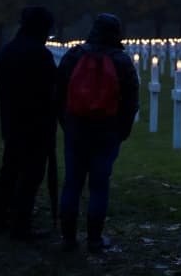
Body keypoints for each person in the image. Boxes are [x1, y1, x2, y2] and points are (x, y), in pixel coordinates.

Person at [56, 13, 139, 253]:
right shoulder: (121, 60)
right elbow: (131, 100)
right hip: (106, 130)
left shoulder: (73, 55)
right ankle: (94, 239)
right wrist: (121, 131)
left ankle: (68, 238)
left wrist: (66, 122)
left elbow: (59, 92)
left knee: (72, 183)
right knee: (99, 186)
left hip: (76, 128)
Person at [0, 6, 57, 241]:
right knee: (31, 176)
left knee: (9, 171)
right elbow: (51, 88)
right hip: (36, 124)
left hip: (12, 121)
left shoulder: (7, 51)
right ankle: (20, 225)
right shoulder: (40, 54)